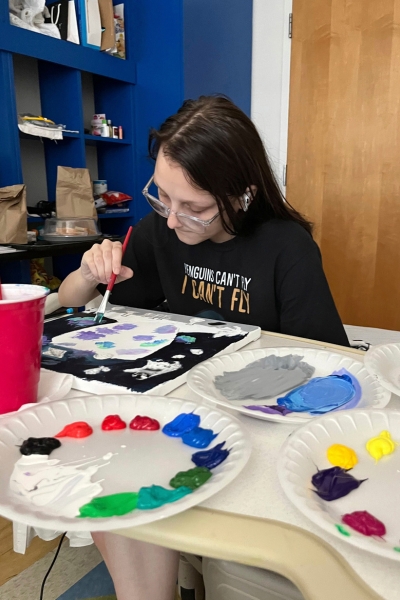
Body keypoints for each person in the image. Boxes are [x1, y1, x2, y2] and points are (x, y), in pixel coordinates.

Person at [58, 95, 349, 600]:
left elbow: (327, 371)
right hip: (178, 419)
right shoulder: (157, 232)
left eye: (194, 208)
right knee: (115, 463)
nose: (173, 220)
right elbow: (76, 308)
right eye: (162, 198)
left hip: (259, 426)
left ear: (243, 195)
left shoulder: (287, 247)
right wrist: (87, 274)